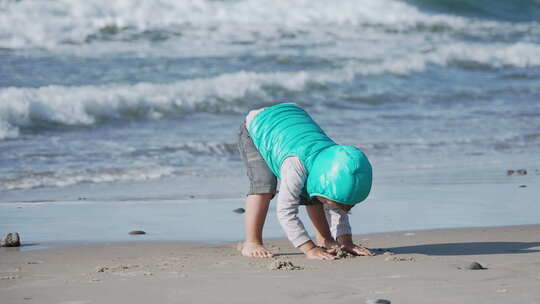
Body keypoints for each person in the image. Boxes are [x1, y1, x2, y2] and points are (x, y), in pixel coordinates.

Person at [237, 103, 374, 260]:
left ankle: (325, 239)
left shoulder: (334, 163)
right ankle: (252, 241)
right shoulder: (295, 166)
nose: (331, 207)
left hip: (292, 119)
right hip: (259, 128)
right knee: (264, 186)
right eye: (331, 203)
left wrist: (346, 241)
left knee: (314, 192)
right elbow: (285, 212)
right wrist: (309, 248)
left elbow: (337, 208)